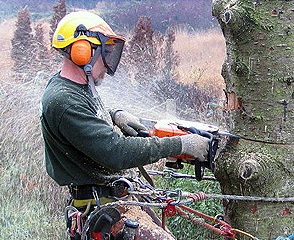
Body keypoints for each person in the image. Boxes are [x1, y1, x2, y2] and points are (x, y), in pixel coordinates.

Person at [40, 11, 209, 239]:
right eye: (105, 52)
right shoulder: (64, 101)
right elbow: (116, 153)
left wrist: (114, 115)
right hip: (101, 208)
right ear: (83, 52)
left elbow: (84, 117)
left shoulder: (73, 88)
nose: (109, 61)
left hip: (112, 196)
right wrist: (179, 145)